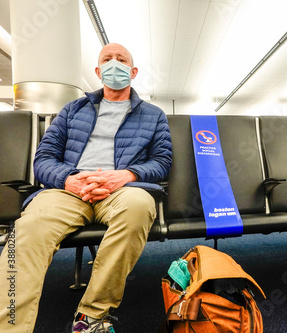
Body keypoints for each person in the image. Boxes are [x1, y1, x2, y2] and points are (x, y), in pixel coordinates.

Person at [0, 43, 172, 333]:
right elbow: (43, 159)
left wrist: (126, 175)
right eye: (107, 59)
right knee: (26, 231)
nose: (114, 64)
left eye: (121, 60)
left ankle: (92, 316)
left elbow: (162, 161)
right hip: (70, 190)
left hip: (120, 191)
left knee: (140, 208)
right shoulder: (71, 110)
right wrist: (70, 179)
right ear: (97, 70)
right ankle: (9, 325)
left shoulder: (153, 115)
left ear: (133, 71)